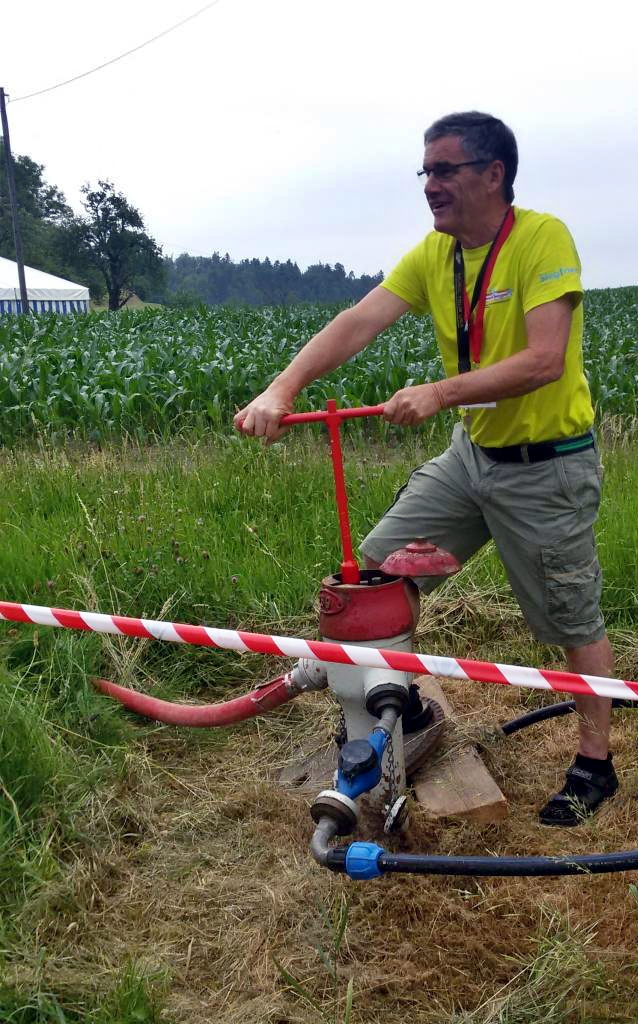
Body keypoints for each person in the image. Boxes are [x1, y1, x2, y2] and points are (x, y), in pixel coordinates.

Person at [234, 111, 617, 827]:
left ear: (493, 174)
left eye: (445, 170)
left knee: (572, 617)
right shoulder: (436, 255)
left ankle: (595, 764)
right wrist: (282, 389)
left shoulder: (541, 239)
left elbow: (544, 360)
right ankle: (398, 713)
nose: (430, 185)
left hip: (547, 467)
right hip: (472, 457)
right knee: (374, 576)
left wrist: (439, 393)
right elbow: (358, 321)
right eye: (426, 171)